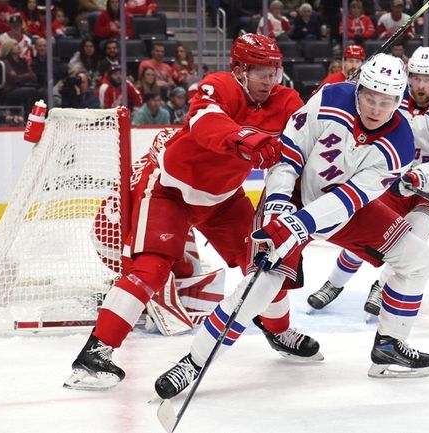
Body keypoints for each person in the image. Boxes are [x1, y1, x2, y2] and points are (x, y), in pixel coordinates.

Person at [154, 54, 429, 401]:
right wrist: (277, 204)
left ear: (398, 101)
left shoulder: (400, 145)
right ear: (358, 88)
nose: (375, 109)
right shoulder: (331, 98)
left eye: (385, 102)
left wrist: (298, 225)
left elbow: (350, 198)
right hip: (291, 194)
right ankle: (195, 362)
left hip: (339, 209)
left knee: (418, 259)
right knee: (263, 282)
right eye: (369, 98)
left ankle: (389, 344)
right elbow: (289, 154)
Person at [63, 34, 309, 391]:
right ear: (239, 71)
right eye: (260, 72)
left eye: (274, 72)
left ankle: (278, 330)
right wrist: (246, 139)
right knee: (151, 267)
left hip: (224, 198)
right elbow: (205, 122)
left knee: (267, 260)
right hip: (171, 189)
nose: (270, 81)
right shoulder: (218, 86)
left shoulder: (286, 100)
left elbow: (311, 128)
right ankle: (96, 351)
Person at [307, 48, 429, 315]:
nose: (421, 85)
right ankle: (334, 283)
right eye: (416, 77)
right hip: (400, 181)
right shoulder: (395, 97)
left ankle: (381, 286)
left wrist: (418, 176)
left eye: (428, 79)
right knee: (370, 229)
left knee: (413, 234)